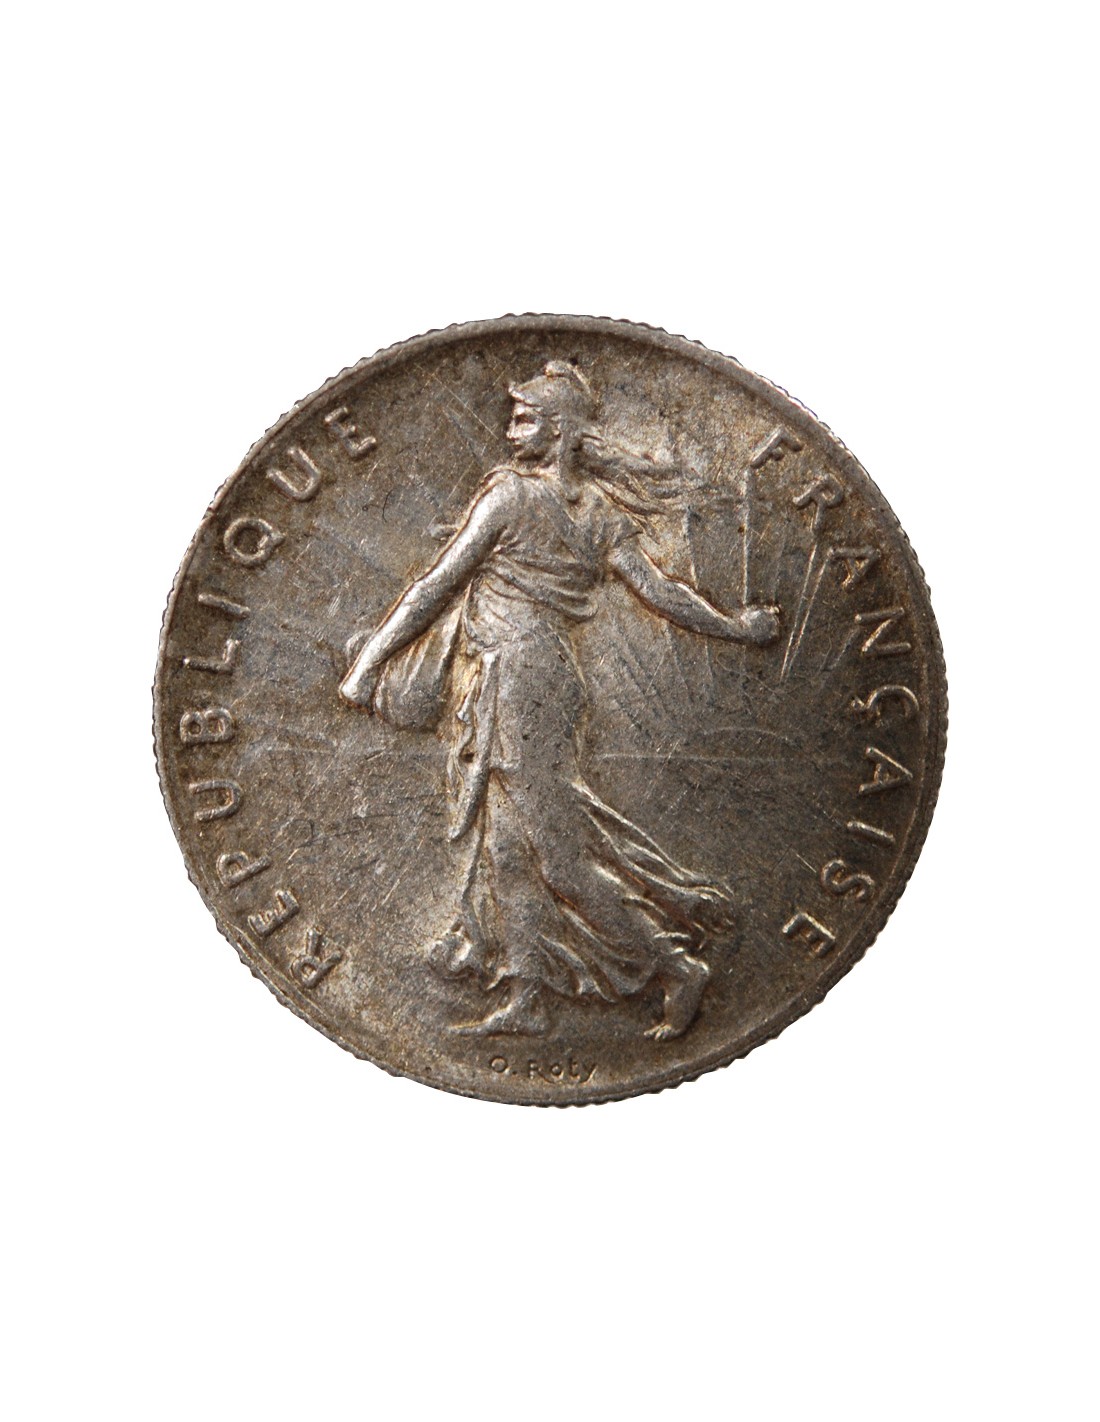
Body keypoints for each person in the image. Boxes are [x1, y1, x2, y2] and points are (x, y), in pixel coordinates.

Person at [341, 361, 778, 1039]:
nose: (511, 429)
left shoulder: (511, 498)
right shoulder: (597, 510)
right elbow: (661, 592)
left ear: (562, 431)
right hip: (539, 678)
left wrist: (368, 664)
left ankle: (674, 967)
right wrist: (735, 627)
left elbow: (434, 585)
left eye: (525, 418)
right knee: (508, 853)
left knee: (559, 857)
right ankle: (528, 995)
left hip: (516, 681)